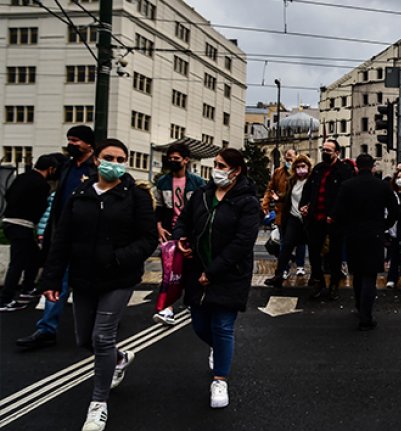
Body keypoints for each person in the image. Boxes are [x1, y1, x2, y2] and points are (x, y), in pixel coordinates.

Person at [39, 139, 157, 431]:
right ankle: (119, 358)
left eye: (120, 159)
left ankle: (98, 404)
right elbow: (62, 239)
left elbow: (147, 239)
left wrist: (118, 258)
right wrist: (52, 278)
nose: (114, 163)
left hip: (119, 277)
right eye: (109, 157)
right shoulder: (80, 194)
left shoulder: (135, 196)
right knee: (86, 341)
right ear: (96, 160)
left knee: (102, 337)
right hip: (83, 278)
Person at [173, 148, 260, 409]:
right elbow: (183, 222)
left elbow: (243, 242)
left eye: (222, 165)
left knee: (222, 326)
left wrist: (213, 272)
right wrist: (181, 238)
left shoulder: (247, 202)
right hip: (196, 270)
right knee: (200, 325)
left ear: (237, 170)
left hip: (229, 274)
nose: (217, 170)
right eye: (216, 164)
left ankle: (220, 378)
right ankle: (221, 350)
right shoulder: (202, 195)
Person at [17, 125, 98, 349]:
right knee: (56, 282)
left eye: (76, 140)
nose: (71, 144)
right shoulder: (66, 168)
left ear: (89, 144)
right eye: (69, 140)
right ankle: (46, 329)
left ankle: (102, 324)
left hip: (88, 238)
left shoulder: (97, 169)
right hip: (63, 236)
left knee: (91, 284)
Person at [334, 154, 398, 330]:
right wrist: (385, 225)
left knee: (357, 273)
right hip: (374, 233)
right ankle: (366, 315)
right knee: (370, 274)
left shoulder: (347, 186)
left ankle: (358, 305)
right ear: (373, 167)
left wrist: (346, 226)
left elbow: (338, 211)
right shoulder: (382, 186)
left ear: (356, 167)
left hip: (353, 233)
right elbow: (394, 210)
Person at [151, 142, 205, 325]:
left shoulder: (197, 183)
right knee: (170, 271)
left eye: (177, 158)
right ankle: (168, 308)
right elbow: (159, 207)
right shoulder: (162, 182)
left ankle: (192, 301)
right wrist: (158, 226)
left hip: (191, 232)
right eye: (170, 158)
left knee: (191, 269)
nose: (173, 161)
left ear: (186, 160)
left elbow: (201, 209)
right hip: (170, 232)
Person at [0, 155, 60, 311]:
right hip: (23, 225)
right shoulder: (42, 185)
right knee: (18, 263)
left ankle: (28, 288)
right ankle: (5, 299)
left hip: (9, 222)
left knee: (33, 257)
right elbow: (41, 207)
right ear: (51, 169)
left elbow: (7, 194)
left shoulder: (22, 177)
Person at [299, 139, 355, 300]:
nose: (325, 152)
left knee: (335, 254)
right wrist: (304, 205)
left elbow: (345, 196)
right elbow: (308, 189)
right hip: (315, 217)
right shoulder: (318, 169)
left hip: (334, 220)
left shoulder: (344, 171)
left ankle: (334, 285)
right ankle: (319, 283)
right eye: (323, 149)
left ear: (337, 153)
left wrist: (335, 214)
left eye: (329, 150)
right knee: (315, 252)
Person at [264, 154, 313, 287]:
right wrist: (278, 198)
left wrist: (310, 207)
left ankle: (315, 277)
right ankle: (279, 275)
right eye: (297, 167)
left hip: (308, 220)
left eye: (303, 166)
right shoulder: (292, 180)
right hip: (293, 218)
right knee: (286, 247)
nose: (300, 169)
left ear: (308, 167)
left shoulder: (312, 180)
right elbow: (288, 196)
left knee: (313, 248)